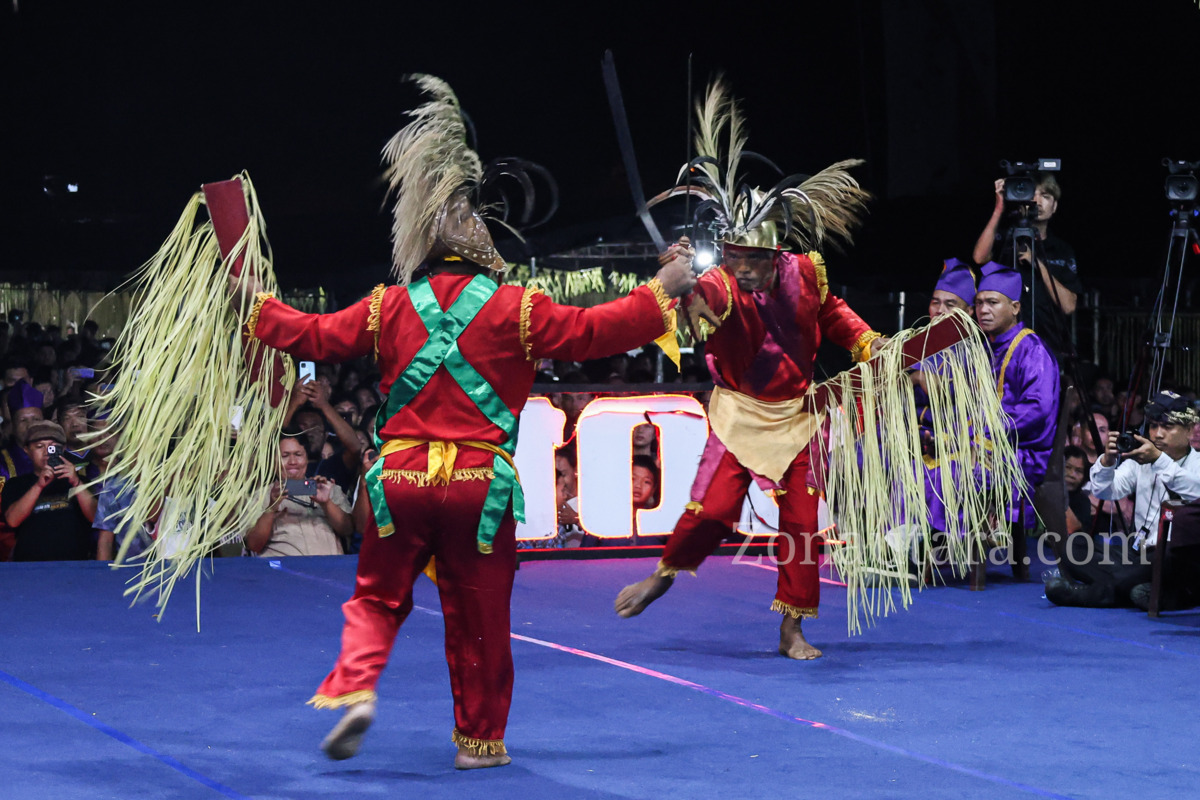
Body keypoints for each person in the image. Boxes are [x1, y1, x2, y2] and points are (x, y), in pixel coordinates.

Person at [231, 76, 696, 769]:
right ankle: (479, 744)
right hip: (479, 486)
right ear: (482, 249)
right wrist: (663, 289)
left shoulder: (389, 306)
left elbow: (313, 335)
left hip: (400, 478)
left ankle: (357, 686)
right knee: (479, 619)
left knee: (376, 597)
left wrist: (255, 302)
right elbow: (600, 330)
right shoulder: (520, 307)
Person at [614, 78, 882, 660]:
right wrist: (683, 285)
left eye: (753, 261)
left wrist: (866, 343)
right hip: (739, 414)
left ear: (775, 254)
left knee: (803, 524)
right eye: (734, 259)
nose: (744, 270)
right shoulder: (721, 283)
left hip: (798, 416)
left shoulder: (805, 271)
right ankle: (665, 573)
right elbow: (704, 316)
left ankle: (792, 628)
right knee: (712, 510)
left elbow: (831, 314)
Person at [1046, 391, 1200, 610]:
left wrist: (1159, 461)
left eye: (1167, 427)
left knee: (1164, 558)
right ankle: (1147, 591)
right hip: (1138, 553)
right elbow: (1105, 491)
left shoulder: (1196, 463)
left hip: (1175, 558)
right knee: (1074, 547)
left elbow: (1194, 489)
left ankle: (1087, 595)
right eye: (1154, 426)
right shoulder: (1142, 459)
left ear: (1188, 430)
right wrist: (1107, 461)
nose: (1158, 434)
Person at [973, 262, 1060, 577]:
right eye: (979, 303)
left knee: (961, 465)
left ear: (1015, 307)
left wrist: (985, 428)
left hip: (1023, 449)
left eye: (992, 302)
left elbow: (1038, 408)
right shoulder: (985, 347)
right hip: (989, 440)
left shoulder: (1031, 349)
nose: (983, 310)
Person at [972, 172, 1080, 361]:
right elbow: (980, 257)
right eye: (1032, 194)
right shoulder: (1006, 240)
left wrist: (1037, 263)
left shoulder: (1062, 250)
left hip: (1048, 348)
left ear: (1054, 206)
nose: (1037, 201)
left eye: (1046, 196)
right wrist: (999, 207)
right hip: (1003, 349)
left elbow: (1069, 306)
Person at [244, 430, 353, 557]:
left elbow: (348, 530)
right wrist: (272, 507)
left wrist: (326, 503)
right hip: (284, 572)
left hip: (329, 570)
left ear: (307, 458)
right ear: (273, 460)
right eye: (285, 456)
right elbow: (254, 545)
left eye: (298, 454)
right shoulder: (260, 496)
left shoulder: (329, 489)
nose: (292, 462)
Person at [2, 420, 97, 560]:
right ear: (27, 450)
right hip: (29, 568)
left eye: (53, 447)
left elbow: (96, 518)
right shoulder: (16, 484)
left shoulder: (82, 482)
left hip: (75, 566)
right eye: (39, 447)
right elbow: (13, 520)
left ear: (63, 449)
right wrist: (38, 486)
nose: (47, 452)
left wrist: (76, 482)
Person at [1, 381, 45, 479]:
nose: (30, 425)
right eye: (23, 420)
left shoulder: (57, 457)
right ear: (13, 425)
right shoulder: (2, 462)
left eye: (36, 419)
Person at [1063, 444, 1093, 535]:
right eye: (1067, 467)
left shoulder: (1083, 502)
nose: (1072, 475)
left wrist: (1059, 497)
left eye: (1078, 471)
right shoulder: (1041, 491)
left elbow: (1073, 529)